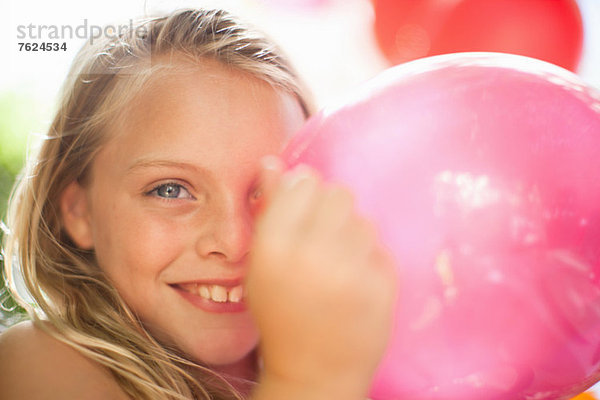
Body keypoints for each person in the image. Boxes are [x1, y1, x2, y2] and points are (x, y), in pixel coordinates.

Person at [0, 8, 397, 400]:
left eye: (267, 192)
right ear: (78, 211)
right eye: (170, 190)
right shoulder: (34, 362)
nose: (235, 241)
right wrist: (311, 381)